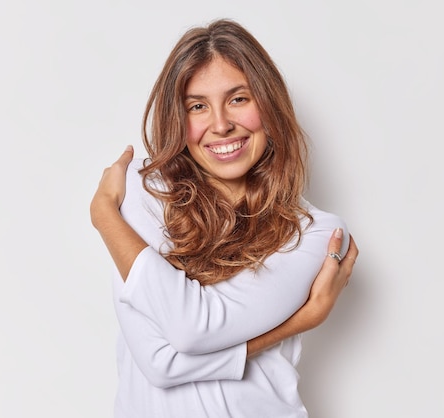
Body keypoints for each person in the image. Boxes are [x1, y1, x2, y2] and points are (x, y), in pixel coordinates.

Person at [90, 18, 359, 418]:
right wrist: (298, 322)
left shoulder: (314, 233)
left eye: (239, 99)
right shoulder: (143, 191)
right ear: (178, 119)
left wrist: (103, 217)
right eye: (197, 106)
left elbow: (189, 331)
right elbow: (159, 364)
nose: (220, 125)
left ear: (269, 105)